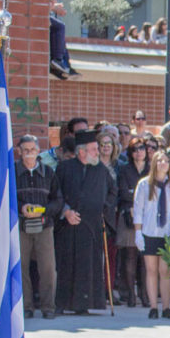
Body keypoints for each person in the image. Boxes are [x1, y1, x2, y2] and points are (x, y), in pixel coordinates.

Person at [52, 130, 117, 315]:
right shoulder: (64, 168)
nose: (98, 152)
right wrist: (66, 211)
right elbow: (56, 193)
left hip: (91, 226)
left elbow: (113, 192)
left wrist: (103, 209)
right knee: (65, 264)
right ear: (82, 152)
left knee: (88, 265)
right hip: (67, 225)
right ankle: (62, 303)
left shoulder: (101, 170)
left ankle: (84, 303)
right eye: (94, 149)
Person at [16, 134, 62, 320]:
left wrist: (44, 211)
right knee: (22, 267)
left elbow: (58, 199)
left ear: (38, 151)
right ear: (19, 151)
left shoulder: (49, 173)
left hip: (44, 226)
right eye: (25, 150)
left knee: (48, 268)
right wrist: (21, 208)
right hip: (20, 226)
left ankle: (48, 307)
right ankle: (26, 306)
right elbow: (7, 197)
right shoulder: (13, 172)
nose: (29, 153)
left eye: (33, 150)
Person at [134, 151, 170, 319]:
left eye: (166, 161)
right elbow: (139, 210)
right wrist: (138, 232)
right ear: (154, 164)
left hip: (167, 233)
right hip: (150, 232)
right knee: (151, 270)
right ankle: (154, 306)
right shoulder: (145, 184)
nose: (163, 163)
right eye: (159, 160)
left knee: (165, 270)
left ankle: (166, 306)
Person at [117, 137, 150, 308]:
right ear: (130, 152)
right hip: (128, 216)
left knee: (145, 258)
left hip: (148, 217)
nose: (139, 152)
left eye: (142, 148)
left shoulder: (151, 169)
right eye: (135, 149)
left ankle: (145, 293)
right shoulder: (124, 170)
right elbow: (123, 192)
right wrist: (136, 200)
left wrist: (137, 197)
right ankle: (131, 294)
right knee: (129, 256)